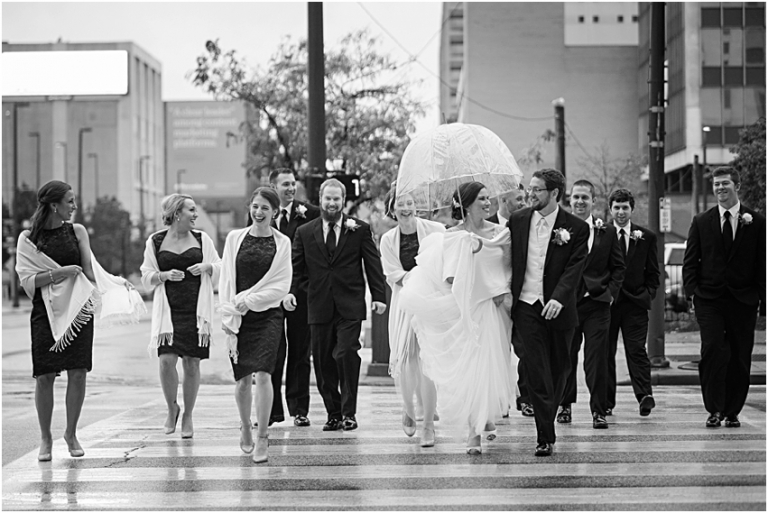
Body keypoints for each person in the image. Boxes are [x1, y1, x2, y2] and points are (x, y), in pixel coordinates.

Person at [15, 180, 140, 462]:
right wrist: (59, 274)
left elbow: (90, 270)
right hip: (44, 311)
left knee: (78, 371)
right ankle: (45, 438)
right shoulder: (28, 239)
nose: (74, 206)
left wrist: (119, 283)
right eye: (70, 201)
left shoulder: (77, 231)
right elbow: (26, 280)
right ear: (53, 205)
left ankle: (70, 434)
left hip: (78, 309)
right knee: (45, 375)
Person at [400, 182, 516, 455]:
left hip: (496, 309)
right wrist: (469, 259)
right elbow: (451, 277)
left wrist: (502, 291)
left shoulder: (502, 233)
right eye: (482, 199)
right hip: (467, 309)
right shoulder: (453, 236)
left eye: (488, 198)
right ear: (466, 204)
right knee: (471, 370)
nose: (488, 203)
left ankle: (485, 415)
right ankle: (473, 433)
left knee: (491, 366)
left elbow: (509, 268)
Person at [284, 178, 387, 432]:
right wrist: (290, 293)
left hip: (349, 305)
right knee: (322, 362)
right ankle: (334, 412)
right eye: (327, 198)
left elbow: (372, 264)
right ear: (320, 200)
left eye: (336, 199)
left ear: (343, 201)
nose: (332, 203)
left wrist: (379, 296)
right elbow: (296, 269)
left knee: (346, 353)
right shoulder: (305, 232)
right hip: (317, 306)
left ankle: (349, 413)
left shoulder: (359, 229)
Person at [508, 169, 589, 457]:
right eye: (530, 188)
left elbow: (574, 269)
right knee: (536, 368)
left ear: (554, 193)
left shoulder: (577, 228)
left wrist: (559, 298)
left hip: (560, 310)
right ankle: (545, 435)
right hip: (527, 307)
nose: (530, 194)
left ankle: (547, 418)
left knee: (561, 370)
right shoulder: (517, 221)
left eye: (537, 190)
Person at [682, 167, 765, 428]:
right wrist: (691, 294)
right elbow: (690, 262)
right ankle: (714, 409)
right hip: (710, 298)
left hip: (743, 300)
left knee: (740, 355)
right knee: (713, 349)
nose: (720, 188)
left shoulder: (757, 221)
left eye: (725, 183)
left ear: (736, 186)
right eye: (716, 184)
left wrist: (762, 299)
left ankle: (732, 411)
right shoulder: (701, 221)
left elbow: (763, 264)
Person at [219, 187, 292, 464]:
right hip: (239, 317)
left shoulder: (282, 242)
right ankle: (245, 425)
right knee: (241, 381)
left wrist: (250, 300)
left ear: (275, 212)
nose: (259, 212)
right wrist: (229, 317)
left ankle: (263, 436)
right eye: (256, 207)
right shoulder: (234, 238)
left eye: (265, 208)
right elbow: (226, 279)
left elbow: (281, 286)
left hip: (269, 316)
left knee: (263, 374)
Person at [140, 194, 221, 439]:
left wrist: (207, 268)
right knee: (166, 361)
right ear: (177, 213)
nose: (195, 215)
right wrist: (163, 276)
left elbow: (220, 266)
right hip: (168, 312)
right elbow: (146, 276)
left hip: (196, 311)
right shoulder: (155, 241)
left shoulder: (202, 239)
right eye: (191, 210)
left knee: (192, 364)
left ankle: (188, 415)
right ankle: (171, 407)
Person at [557, 180, 625, 429]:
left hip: (597, 304)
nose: (580, 202)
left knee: (596, 359)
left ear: (593, 201)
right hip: (568, 304)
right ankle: (564, 405)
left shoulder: (605, 231)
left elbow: (618, 267)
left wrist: (610, 294)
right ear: (569, 199)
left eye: (585, 197)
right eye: (576, 197)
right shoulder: (559, 230)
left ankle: (599, 410)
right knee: (566, 357)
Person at [380, 188, 444, 447]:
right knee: (406, 358)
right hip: (404, 301)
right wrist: (414, 278)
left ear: (417, 206)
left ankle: (428, 424)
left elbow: (443, 262)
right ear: (392, 209)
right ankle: (408, 407)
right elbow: (391, 272)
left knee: (428, 359)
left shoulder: (436, 230)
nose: (406, 208)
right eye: (400, 204)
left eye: (410, 203)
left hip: (430, 300)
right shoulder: (387, 239)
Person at [267, 168, 320, 428]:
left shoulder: (311, 213)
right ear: (272, 186)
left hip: (301, 294)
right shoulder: (261, 213)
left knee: (300, 353)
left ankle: (300, 409)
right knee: (274, 353)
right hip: (271, 297)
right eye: (285, 184)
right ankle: (272, 410)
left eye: (293, 183)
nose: (291, 188)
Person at [606, 188, 660, 417]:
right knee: (605, 353)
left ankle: (644, 396)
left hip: (635, 303)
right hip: (608, 303)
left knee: (636, 350)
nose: (620, 212)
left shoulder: (646, 237)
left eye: (625, 207)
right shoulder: (602, 233)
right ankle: (606, 401)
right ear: (610, 209)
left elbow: (653, 272)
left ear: (632, 209)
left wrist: (648, 293)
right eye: (616, 207)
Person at [487, 185, 533, 418]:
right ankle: (499, 398)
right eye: (519, 199)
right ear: (504, 201)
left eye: (524, 198)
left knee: (526, 350)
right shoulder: (486, 226)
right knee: (497, 350)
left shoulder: (529, 223)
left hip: (523, 295)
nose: (524, 203)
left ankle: (525, 398)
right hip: (496, 298)